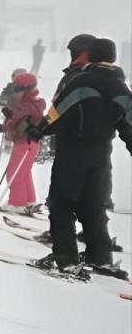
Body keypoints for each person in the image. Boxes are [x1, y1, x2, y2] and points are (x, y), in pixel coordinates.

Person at [31, 35, 132, 279]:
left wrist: (39, 130)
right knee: (93, 205)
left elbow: (58, 112)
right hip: (101, 155)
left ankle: (64, 258)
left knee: (61, 203)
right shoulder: (122, 86)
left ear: (92, 55)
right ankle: (100, 257)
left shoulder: (83, 81)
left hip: (73, 151)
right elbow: (128, 124)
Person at [0, 72, 44, 214]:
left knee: (14, 173)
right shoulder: (37, 100)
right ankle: (29, 200)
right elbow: (24, 119)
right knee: (24, 172)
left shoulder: (25, 104)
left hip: (24, 141)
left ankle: (17, 203)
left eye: (18, 88)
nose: (16, 90)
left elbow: (12, 124)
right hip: (32, 142)